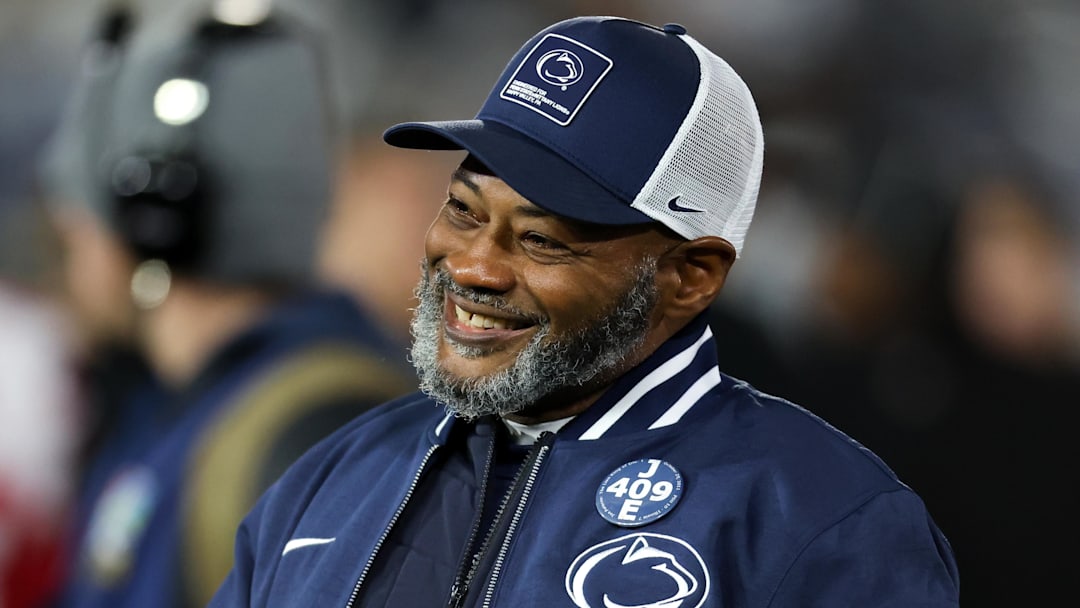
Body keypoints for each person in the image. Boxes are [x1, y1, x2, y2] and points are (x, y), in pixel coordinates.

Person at [210, 16, 960, 607]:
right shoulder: (339, 473)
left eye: (540, 240)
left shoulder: (818, 520)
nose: (473, 266)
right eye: (464, 211)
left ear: (690, 277)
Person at [40, 3, 415, 607]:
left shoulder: (315, 440)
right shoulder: (171, 404)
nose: (67, 251)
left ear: (153, 225)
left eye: (74, 224)